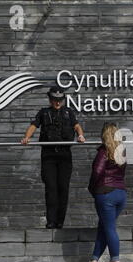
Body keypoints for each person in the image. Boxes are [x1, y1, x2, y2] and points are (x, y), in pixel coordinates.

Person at [20, 86, 86, 229]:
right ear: (50, 100)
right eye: (55, 100)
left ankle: (59, 221)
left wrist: (81, 135)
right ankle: (51, 221)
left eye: (60, 100)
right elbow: (33, 126)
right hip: (49, 155)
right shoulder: (44, 113)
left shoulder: (69, 112)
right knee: (51, 188)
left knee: (63, 188)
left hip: (64, 155)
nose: (57, 103)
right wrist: (26, 137)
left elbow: (77, 126)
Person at [87, 122, 127, 262]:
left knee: (109, 228)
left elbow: (97, 172)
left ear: (104, 135)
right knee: (104, 227)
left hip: (106, 194)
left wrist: (92, 188)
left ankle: (115, 261)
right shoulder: (121, 151)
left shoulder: (103, 152)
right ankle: (94, 260)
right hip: (121, 193)